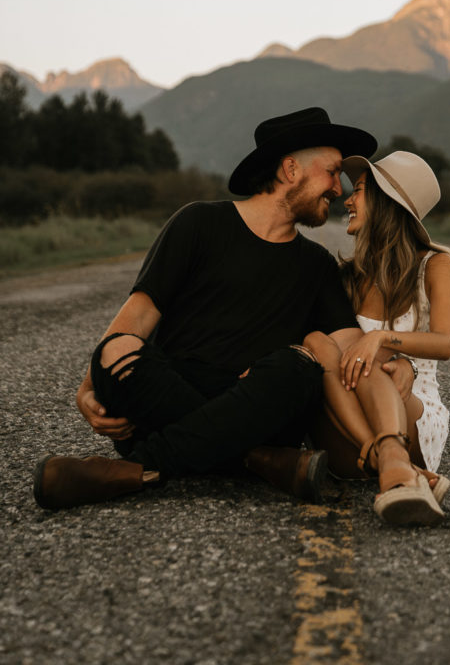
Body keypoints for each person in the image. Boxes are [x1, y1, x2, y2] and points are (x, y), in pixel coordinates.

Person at [33, 106, 396, 512]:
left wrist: (395, 354)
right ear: (291, 169)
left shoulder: (317, 264)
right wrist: (88, 390)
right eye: (332, 172)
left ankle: (140, 468)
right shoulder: (198, 223)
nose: (338, 189)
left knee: (300, 369)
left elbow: (351, 347)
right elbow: (135, 317)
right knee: (115, 351)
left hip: (257, 401)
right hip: (173, 393)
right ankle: (257, 460)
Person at [304, 151, 450, 526]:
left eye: (358, 190)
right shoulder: (348, 277)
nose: (348, 198)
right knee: (316, 340)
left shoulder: (435, 264)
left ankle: (399, 460)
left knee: (368, 355)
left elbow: (444, 344)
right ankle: (394, 464)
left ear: (386, 202)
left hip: (411, 412)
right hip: (346, 429)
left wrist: (383, 341)